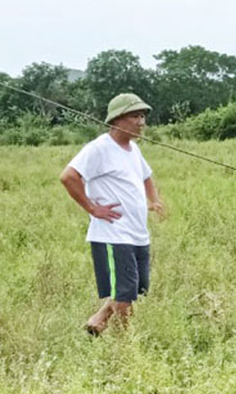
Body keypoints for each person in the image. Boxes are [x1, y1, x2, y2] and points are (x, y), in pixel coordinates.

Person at [60, 93, 164, 335]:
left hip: (137, 233)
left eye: (142, 116)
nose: (141, 122)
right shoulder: (99, 149)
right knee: (125, 294)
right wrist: (92, 208)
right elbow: (68, 177)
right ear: (117, 120)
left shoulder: (133, 149)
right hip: (113, 234)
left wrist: (155, 200)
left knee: (135, 288)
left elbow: (146, 176)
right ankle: (126, 345)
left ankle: (98, 319)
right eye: (135, 116)